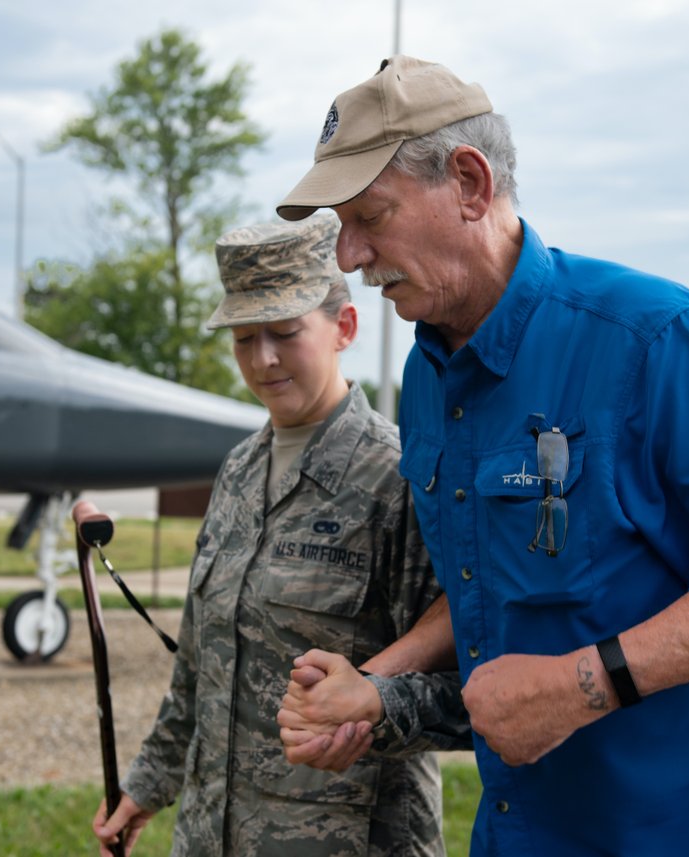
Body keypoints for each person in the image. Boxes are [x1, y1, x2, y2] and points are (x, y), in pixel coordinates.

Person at [271, 55, 689, 855]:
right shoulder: (427, 369)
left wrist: (587, 682)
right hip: (527, 828)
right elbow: (488, 575)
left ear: (471, 185)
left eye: (369, 216)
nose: (347, 256)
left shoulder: (650, 338)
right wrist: (376, 680)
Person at [91, 215, 469, 857]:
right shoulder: (238, 470)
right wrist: (147, 785)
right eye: (244, 338)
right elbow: (198, 664)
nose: (263, 359)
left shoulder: (402, 479)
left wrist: (374, 707)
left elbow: (470, 683)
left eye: (286, 333)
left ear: (343, 328)